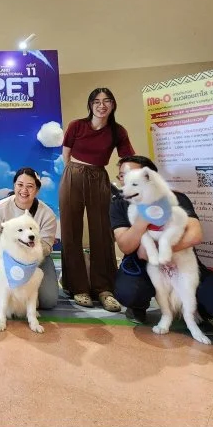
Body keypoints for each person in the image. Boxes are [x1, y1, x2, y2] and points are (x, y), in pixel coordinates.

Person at [111, 155, 213, 326]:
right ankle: (137, 306)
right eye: (122, 175)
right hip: (141, 265)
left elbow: (195, 235)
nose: (126, 180)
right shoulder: (118, 205)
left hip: (181, 260)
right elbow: (126, 246)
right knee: (129, 292)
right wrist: (143, 219)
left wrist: (164, 251)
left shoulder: (175, 198)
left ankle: (198, 309)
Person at [59, 87, 135, 312]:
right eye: (97, 101)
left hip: (99, 176)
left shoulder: (117, 131)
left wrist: (131, 180)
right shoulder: (77, 125)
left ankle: (104, 288)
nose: (102, 105)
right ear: (90, 104)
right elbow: (66, 153)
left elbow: (127, 158)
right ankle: (77, 287)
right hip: (73, 174)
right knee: (70, 230)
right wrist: (73, 173)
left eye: (107, 101)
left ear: (113, 105)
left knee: (102, 230)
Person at [0, 167, 60, 309]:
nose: (24, 190)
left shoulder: (47, 215)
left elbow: (46, 246)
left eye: (30, 186)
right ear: (14, 185)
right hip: (2, 255)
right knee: (0, 294)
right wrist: (12, 258)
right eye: (20, 185)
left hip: (35, 258)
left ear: (37, 190)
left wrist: (26, 259)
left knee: (48, 301)